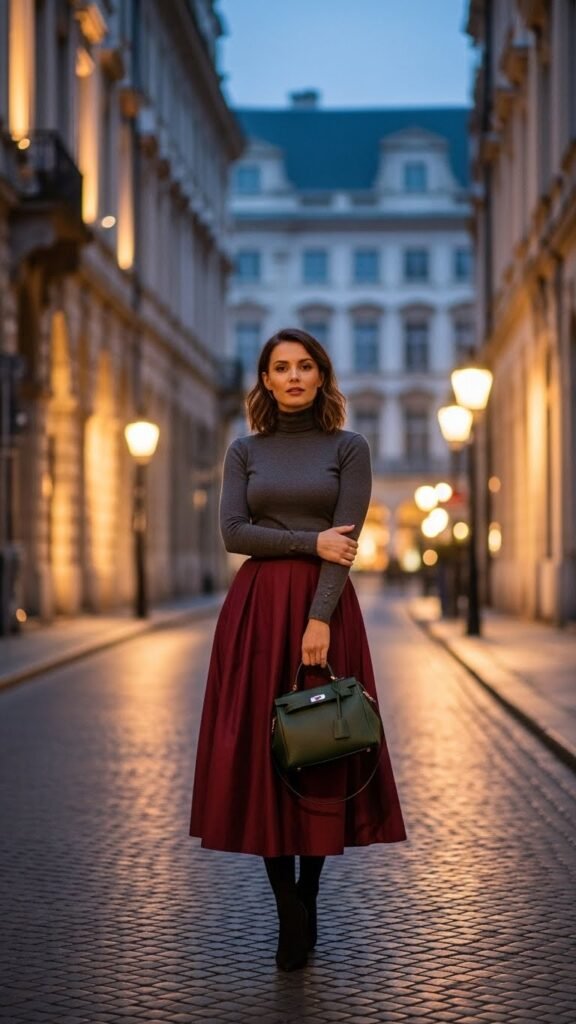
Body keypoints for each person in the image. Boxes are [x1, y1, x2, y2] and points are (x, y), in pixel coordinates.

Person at [189, 328, 406, 971]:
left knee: (320, 750)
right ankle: (288, 909)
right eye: (279, 367)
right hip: (254, 614)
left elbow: (347, 544)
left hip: (324, 609)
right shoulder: (243, 450)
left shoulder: (349, 447)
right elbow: (232, 531)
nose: (292, 377)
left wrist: (320, 619)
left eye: (304, 366)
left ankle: (309, 894)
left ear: (321, 375)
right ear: (264, 378)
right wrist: (309, 544)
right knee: (262, 755)